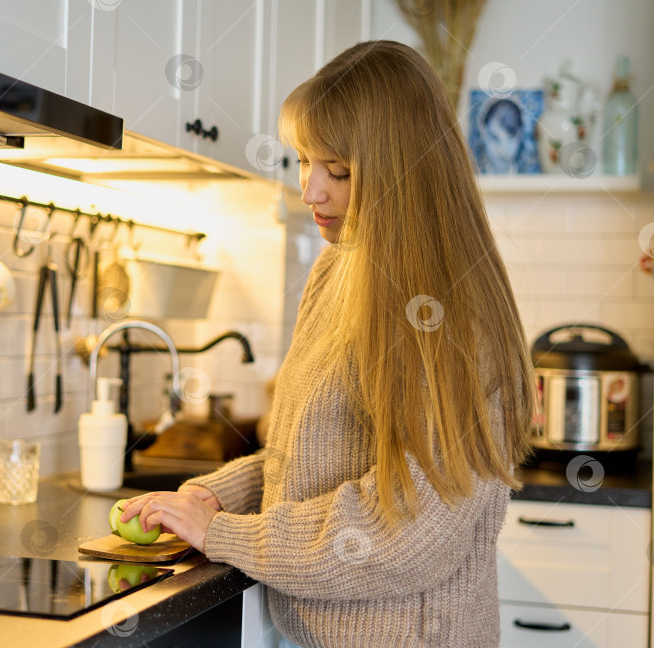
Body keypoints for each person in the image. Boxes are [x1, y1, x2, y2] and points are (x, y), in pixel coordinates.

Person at [119, 40, 535, 648]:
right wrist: (215, 496)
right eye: (304, 162)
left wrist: (225, 534)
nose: (311, 190)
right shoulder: (339, 267)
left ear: (402, 171)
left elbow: (407, 531)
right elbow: (314, 454)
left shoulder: (447, 312)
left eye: (337, 170)